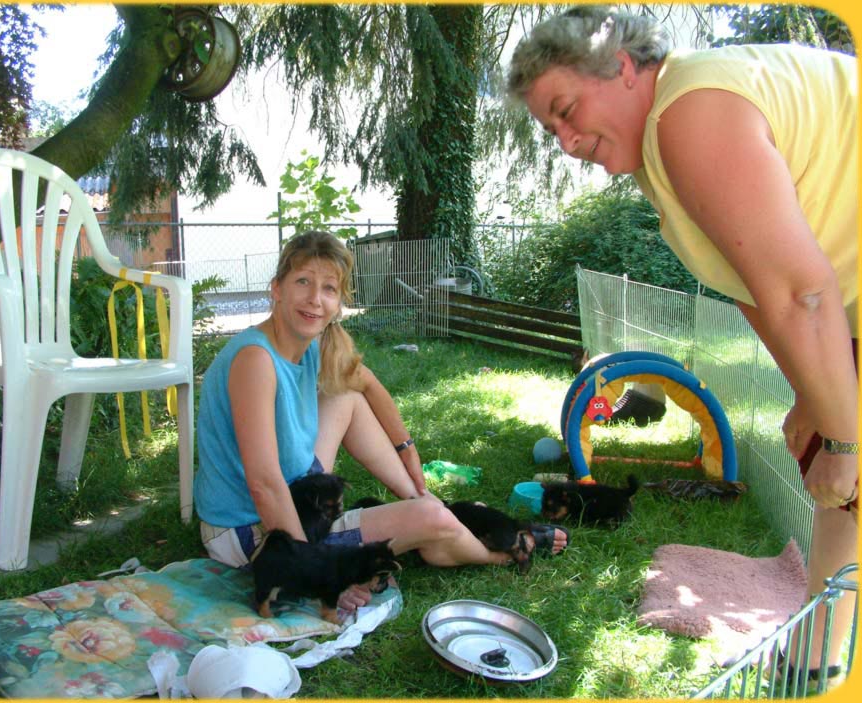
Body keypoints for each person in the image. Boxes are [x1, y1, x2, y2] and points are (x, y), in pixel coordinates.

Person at [507, 5, 857, 683]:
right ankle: (815, 666)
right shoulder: (661, 167)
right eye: (550, 128)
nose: (566, 140)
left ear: (623, 66)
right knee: (836, 485)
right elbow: (756, 291)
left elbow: (800, 294)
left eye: (567, 108)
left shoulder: (689, 113)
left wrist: (843, 439)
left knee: (842, 464)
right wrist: (818, 406)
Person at [194, 230, 569, 615]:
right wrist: (314, 571)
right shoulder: (256, 360)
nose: (314, 299)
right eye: (302, 282)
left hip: (293, 492)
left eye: (329, 288)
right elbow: (264, 485)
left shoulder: (309, 344)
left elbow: (368, 388)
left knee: (346, 398)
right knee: (430, 518)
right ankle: (499, 553)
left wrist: (407, 449)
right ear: (277, 288)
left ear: (339, 302)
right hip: (251, 532)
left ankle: (427, 508)